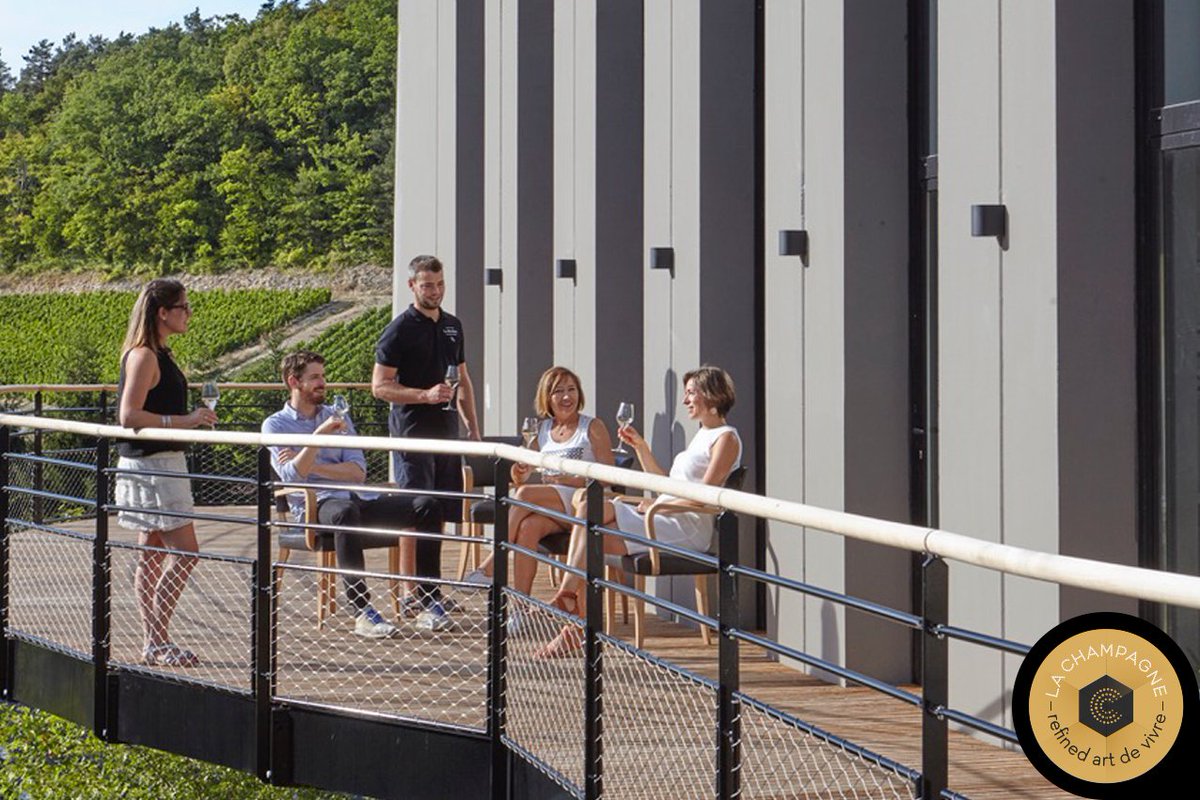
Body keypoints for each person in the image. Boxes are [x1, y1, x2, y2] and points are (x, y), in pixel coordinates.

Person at [537, 366, 742, 657]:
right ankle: (573, 626)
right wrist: (641, 447)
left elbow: (703, 498)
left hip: (686, 528)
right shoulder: (703, 434)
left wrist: (656, 507)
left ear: (712, 394)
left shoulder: (726, 438)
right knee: (587, 522)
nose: (686, 401)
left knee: (590, 517)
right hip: (665, 516)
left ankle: (569, 602)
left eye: (691, 393)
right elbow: (667, 486)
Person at [263, 351, 445, 638]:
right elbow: (290, 477)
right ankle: (363, 612)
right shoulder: (275, 425)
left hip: (357, 498)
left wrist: (310, 461)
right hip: (316, 506)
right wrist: (319, 438)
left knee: (427, 505)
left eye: (323, 376)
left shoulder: (338, 417)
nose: (323, 383)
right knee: (344, 513)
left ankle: (430, 601)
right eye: (315, 378)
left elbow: (358, 471)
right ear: (293, 382)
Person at [372, 254, 481, 632]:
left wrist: (473, 428)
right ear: (412, 286)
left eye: (439, 284)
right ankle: (411, 592)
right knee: (416, 511)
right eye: (427, 285)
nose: (434, 291)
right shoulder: (398, 329)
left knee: (438, 514)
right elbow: (379, 386)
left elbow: (463, 380)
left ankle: (428, 591)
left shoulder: (453, 326)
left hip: (447, 434)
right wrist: (424, 395)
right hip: (412, 433)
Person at [115, 279, 218, 667]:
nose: (189, 313)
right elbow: (129, 416)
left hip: (154, 463)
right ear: (163, 312)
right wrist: (187, 420)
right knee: (185, 553)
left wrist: (188, 420)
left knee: (152, 553)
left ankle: (154, 641)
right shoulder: (145, 356)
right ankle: (157, 639)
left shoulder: (154, 353)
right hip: (155, 467)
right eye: (184, 307)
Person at [464, 366, 615, 604]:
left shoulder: (592, 427)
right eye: (559, 391)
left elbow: (610, 475)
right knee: (528, 528)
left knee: (525, 494)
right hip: (556, 507)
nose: (567, 397)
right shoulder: (543, 430)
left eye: (571, 390)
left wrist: (569, 478)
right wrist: (518, 470)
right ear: (547, 397)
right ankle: (521, 608)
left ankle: (491, 563)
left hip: (584, 504)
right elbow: (520, 478)